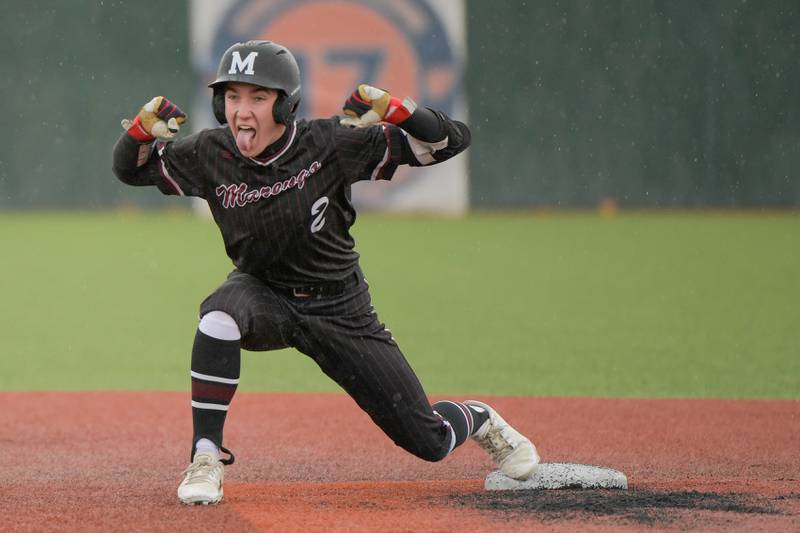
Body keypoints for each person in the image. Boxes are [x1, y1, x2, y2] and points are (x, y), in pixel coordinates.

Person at [112, 40, 539, 505]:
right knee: (219, 315)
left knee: (428, 441)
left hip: (341, 307)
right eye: (232, 97)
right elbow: (131, 171)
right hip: (265, 295)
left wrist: (398, 110)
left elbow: (449, 141)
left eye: (258, 97)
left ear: (286, 104)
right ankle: (205, 456)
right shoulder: (210, 153)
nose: (242, 110)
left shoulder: (330, 143)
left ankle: (480, 418)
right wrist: (138, 133)